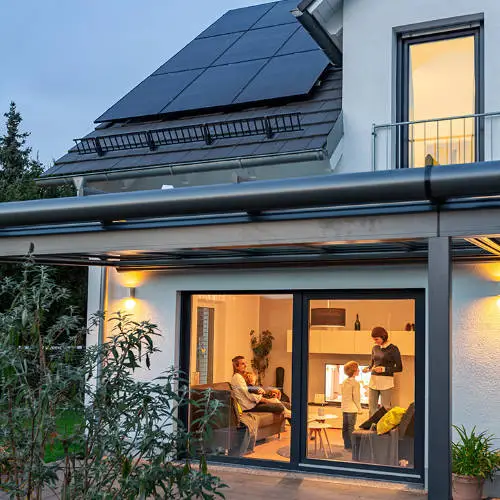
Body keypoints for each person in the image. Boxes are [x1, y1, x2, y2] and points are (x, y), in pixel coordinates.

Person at [363, 326, 403, 416]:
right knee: (372, 408)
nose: (375, 341)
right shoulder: (375, 348)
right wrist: (368, 369)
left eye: (376, 339)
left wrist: (384, 369)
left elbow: (399, 368)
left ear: (383, 337)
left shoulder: (393, 349)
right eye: (374, 339)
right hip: (373, 381)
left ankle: (383, 429)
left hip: (386, 382)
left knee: (385, 408)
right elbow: (372, 364)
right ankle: (372, 427)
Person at [341, 361, 362, 450]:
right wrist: (360, 409)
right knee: (351, 428)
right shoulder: (356, 383)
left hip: (345, 408)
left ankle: (347, 445)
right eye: (357, 369)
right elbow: (356, 398)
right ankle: (353, 447)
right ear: (354, 370)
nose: (359, 370)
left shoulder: (344, 381)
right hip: (352, 409)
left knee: (345, 428)